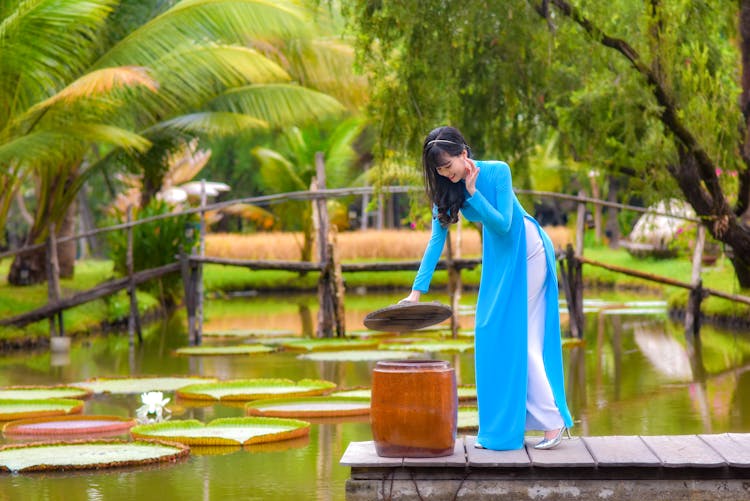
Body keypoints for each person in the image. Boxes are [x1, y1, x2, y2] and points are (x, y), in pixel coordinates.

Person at [400, 125, 574, 451]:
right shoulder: (448, 190)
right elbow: (436, 241)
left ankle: (552, 422)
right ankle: (500, 429)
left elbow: (504, 223)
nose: (447, 176)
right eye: (439, 171)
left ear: (464, 154)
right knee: (488, 332)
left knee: (520, 336)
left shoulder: (497, 171)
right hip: (499, 257)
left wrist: (473, 192)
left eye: (449, 167)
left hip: (527, 248)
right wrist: (416, 292)